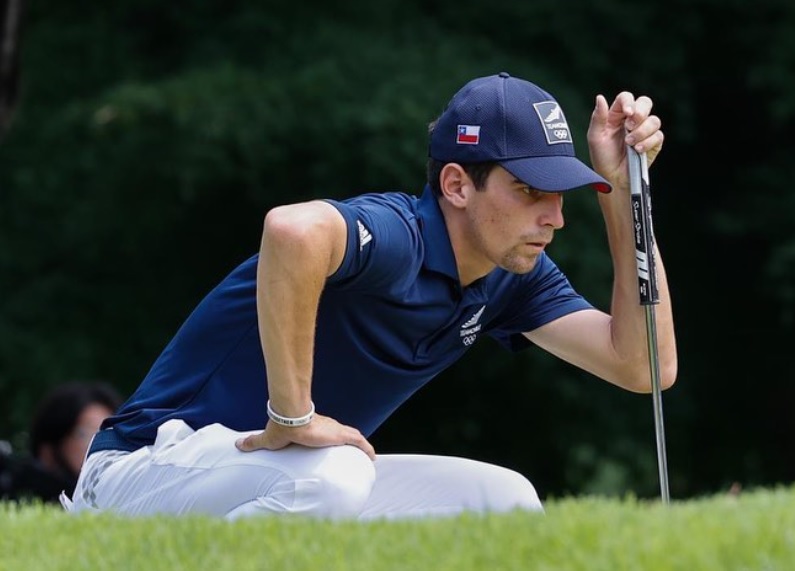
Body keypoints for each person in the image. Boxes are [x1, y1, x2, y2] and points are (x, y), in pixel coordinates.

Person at [68, 72, 677, 520]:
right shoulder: (399, 235)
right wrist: (292, 416)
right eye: (528, 191)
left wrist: (626, 191)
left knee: (504, 502)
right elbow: (292, 230)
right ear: (456, 184)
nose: (555, 218)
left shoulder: (512, 276)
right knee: (335, 474)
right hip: (138, 472)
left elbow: (644, 364)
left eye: (560, 194)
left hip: (275, 480)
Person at [0, 381, 121, 504]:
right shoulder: (17, 494)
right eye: (83, 434)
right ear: (48, 450)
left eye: (108, 433)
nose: (100, 443)